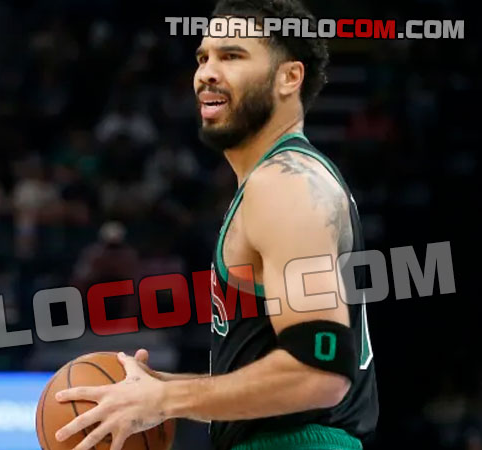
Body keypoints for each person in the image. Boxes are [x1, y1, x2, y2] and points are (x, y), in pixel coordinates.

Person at [53, 1, 378, 449]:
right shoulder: (276, 182)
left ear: (289, 77)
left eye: (231, 56)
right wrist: (152, 389)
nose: (206, 72)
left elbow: (319, 371)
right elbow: (275, 370)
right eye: (203, 57)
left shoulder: (285, 185)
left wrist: (166, 398)